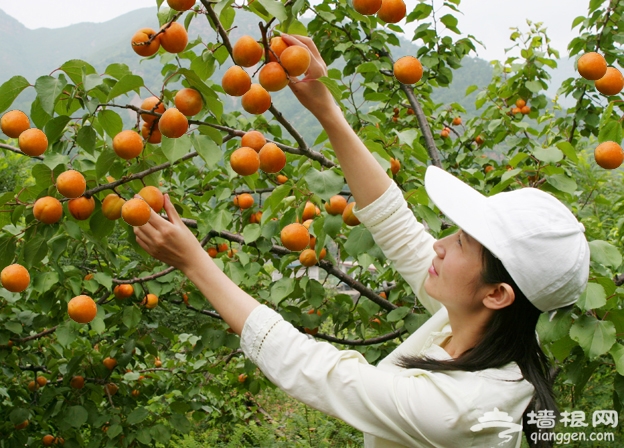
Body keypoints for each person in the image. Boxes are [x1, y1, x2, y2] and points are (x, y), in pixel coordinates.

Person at [132, 35, 590, 448]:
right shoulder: (473, 330)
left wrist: (193, 261)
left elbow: (313, 369)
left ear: (497, 294)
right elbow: (397, 225)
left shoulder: (460, 408)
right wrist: (325, 107)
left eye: (463, 245)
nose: (439, 245)